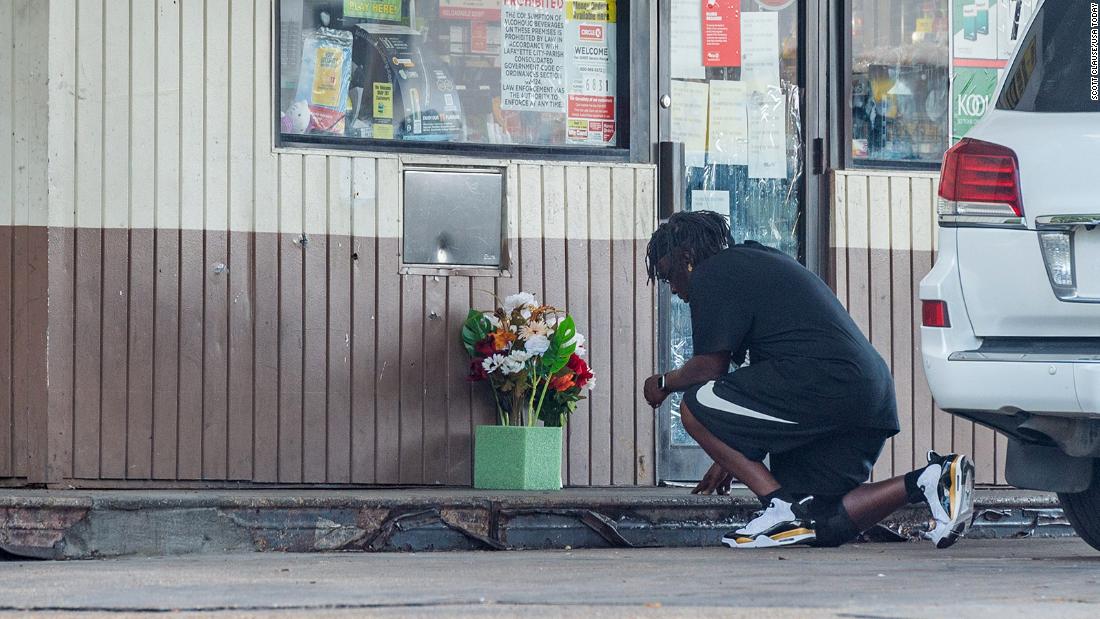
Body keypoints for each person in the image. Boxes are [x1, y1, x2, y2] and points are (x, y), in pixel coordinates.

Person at [642, 210, 975, 549]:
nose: (673, 290)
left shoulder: (712, 273)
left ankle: (778, 507)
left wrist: (663, 383)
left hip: (826, 384)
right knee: (819, 519)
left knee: (695, 405)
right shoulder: (756, 264)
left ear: (687, 258)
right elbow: (763, 390)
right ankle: (929, 479)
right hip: (865, 394)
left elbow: (709, 370)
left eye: (669, 276)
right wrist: (728, 455)